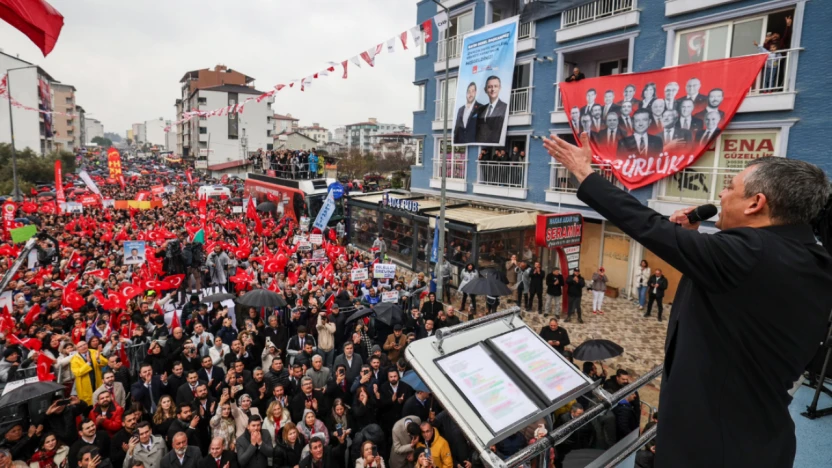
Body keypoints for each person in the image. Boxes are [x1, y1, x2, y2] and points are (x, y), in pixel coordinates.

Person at [544, 132, 832, 467]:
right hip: (761, 436)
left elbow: (649, 226)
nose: (721, 194)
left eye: (729, 187)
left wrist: (585, 172)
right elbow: (736, 297)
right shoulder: (810, 257)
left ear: (756, 203)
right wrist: (695, 247)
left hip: (711, 445)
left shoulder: (749, 254)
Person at [71, 341, 110, 406]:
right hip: (84, 385)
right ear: (77, 349)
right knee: (87, 404)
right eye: (80, 346)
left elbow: (105, 362)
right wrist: (88, 363)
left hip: (97, 380)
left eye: (84, 344)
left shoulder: (94, 352)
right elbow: (77, 372)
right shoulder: (74, 359)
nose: (83, 347)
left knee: (100, 400)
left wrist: (98, 359)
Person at [475, 76, 508, 144]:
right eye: (490, 87)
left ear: (500, 88)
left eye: (495, 86)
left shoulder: (505, 107)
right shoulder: (481, 109)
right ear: (485, 89)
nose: (493, 89)